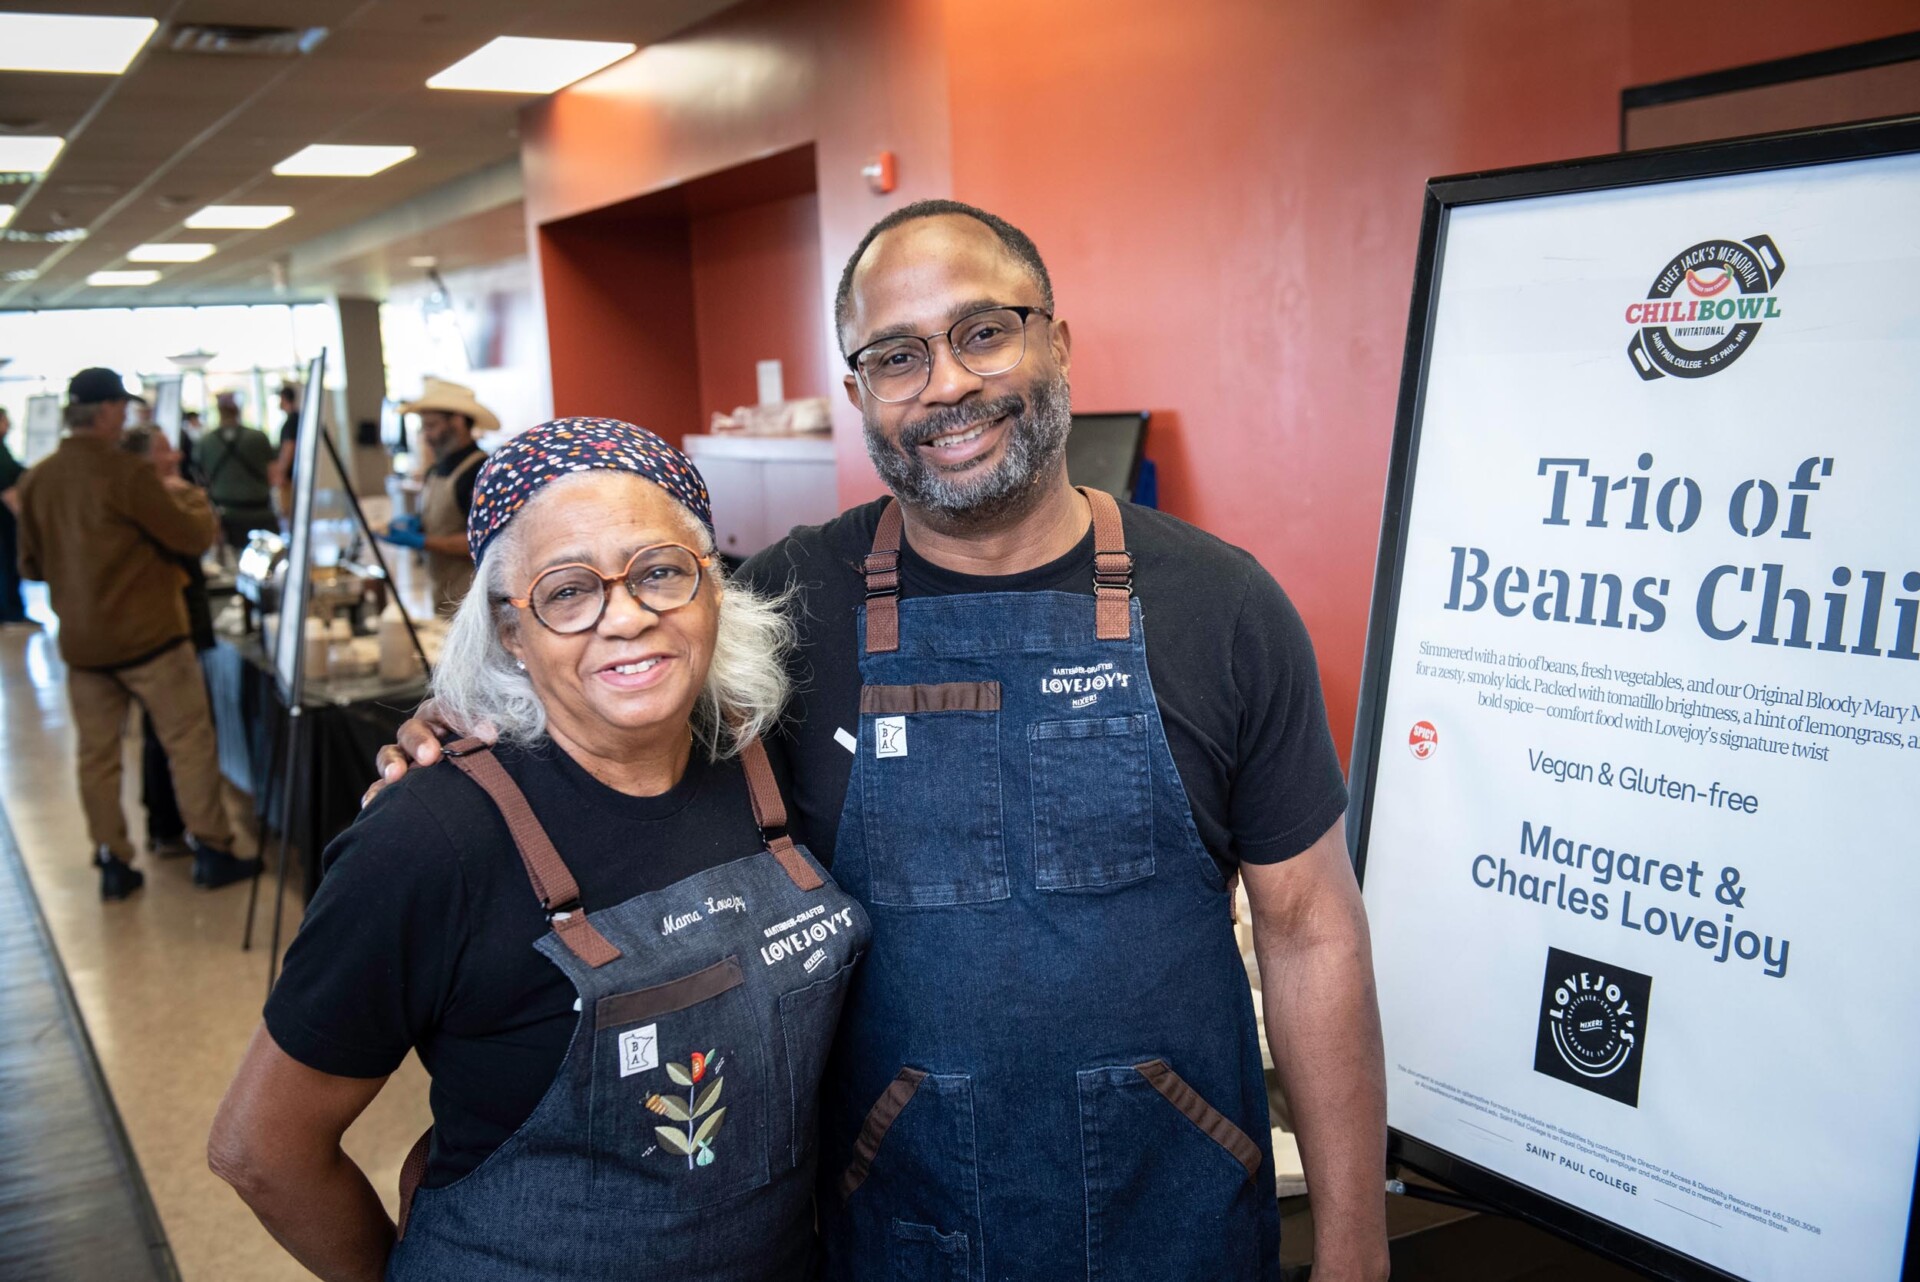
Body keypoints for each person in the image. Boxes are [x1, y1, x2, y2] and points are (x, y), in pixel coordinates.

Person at [377, 202, 1390, 1279]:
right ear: (860, 393)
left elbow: (1311, 929)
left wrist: (1355, 1248)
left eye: (984, 331)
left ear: (1057, 339)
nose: (947, 384)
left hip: (1179, 1213)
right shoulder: (774, 610)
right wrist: (467, 721)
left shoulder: (1221, 606)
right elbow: (603, 702)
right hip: (893, 1222)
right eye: (897, 355)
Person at [211, 418, 869, 1282]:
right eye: (567, 592)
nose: (626, 617)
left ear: (715, 589)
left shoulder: (766, 758)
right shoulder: (428, 838)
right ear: (510, 631)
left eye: (662, 573)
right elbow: (261, 1147)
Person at [16, 368, 261, 899]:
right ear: (105, 413)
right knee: (189, 744)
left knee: (97, 757)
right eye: (122, 409)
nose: (125, 417)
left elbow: (31, 566)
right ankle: (212, 849)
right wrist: (192, 499)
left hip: (83, 646)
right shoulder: (126, 474)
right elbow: (192, 535)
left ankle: (112, 861)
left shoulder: (37, 479)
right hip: (151, 640)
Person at [121, 425, 219, 858]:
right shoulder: (152, 496)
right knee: (181, 736)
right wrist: (192, 498)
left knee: (160, 734)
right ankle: (203, 840)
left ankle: (164, 825)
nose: (175, 457)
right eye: (164, 451)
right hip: (166, 628)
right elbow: (199, 536)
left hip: (155, 625)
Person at [378, 379, 495, 615]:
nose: (426, 436)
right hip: (443, 598)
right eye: (424, 427)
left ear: (458, 421)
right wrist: (418, 525)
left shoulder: (479, 472)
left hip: (475, 604)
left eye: (431, 426)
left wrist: (424, 541)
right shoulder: (435, 470)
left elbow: (485, 542)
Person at [199, 391, 279, 550]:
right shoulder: (258, 437)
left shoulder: (206, 442)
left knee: (231, 563)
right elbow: (273, 475)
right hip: (259, 512)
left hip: (225, 514)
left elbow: (203, 479)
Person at [0, 407, 34, 626]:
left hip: (7, 524)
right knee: (6, 567)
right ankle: (10, 611)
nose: (8, 424)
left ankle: (12, 609)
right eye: (4, 420)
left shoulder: (4, 450)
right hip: (4, 525)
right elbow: (7, 491)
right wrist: (28, 520)